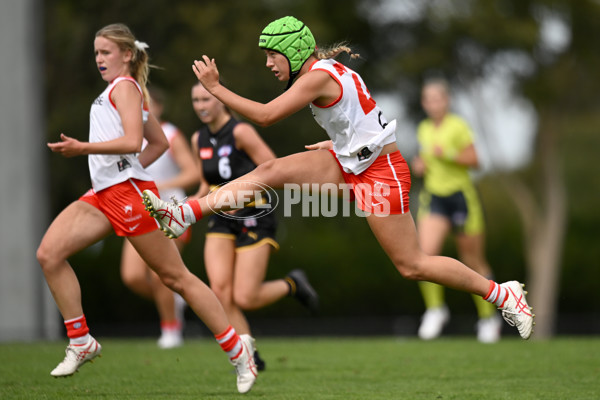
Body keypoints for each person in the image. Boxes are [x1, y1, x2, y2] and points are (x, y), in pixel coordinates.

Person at [141, 16, 534, 343]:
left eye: (272, 55)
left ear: (294, 51)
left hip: (381, 173)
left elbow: (264, 116)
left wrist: (215, 88)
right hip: (352, 162)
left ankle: (503, 294)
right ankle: (185, 214)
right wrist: (339, 142)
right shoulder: (325, 72)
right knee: (269, 171)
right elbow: (360, 114)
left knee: (413, 265)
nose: (268, 64)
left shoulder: (316, 77)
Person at [39, 23, 257, 394]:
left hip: (127, 196)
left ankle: (239, 352)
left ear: (126, 54)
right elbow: (154, 143)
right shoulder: (119, 90)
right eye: (96, 54)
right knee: (49, 254)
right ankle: (81, 341)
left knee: (176, 279)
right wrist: (127, 166)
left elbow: (133, 140)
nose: (99, 60)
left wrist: (84, 149)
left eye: (105, 52)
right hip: (104, 193)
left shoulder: (125, 87)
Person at [189, 80, 319, 370]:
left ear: (220, 101)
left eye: (206, 99)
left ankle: (292, 285)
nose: (201, 106)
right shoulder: (198, 139)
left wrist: (245, 197)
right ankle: (248, 356)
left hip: (255, 216)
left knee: (244, 296)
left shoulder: (241, 132)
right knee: (220, 292)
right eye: (196, 101)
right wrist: (186, 206)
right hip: (221, 218)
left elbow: (274, 169)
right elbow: (205, 182)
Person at [411, 79, 502, 343]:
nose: (433, 103)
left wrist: (448, 153)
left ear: (446, 101)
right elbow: (423, 160)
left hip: (461, 198)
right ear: (424, 103)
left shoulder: (458, 126)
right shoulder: (423, 128)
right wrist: (419, 165)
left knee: (472, 260)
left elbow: (475, 161)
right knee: (423, 255)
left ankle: (487, 318)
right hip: (434, 198)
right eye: (428, 99)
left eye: (437, 98)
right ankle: (436, 310)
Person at [120, 86, 198, 349]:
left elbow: (192, 173)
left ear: (158, 108)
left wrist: (159, 185)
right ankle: (175, 300)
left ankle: (171, 330)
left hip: (171, 210)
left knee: (159, 274)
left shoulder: (172, 135)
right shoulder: (129, 140)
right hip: (139, 211)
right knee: (131, 276)